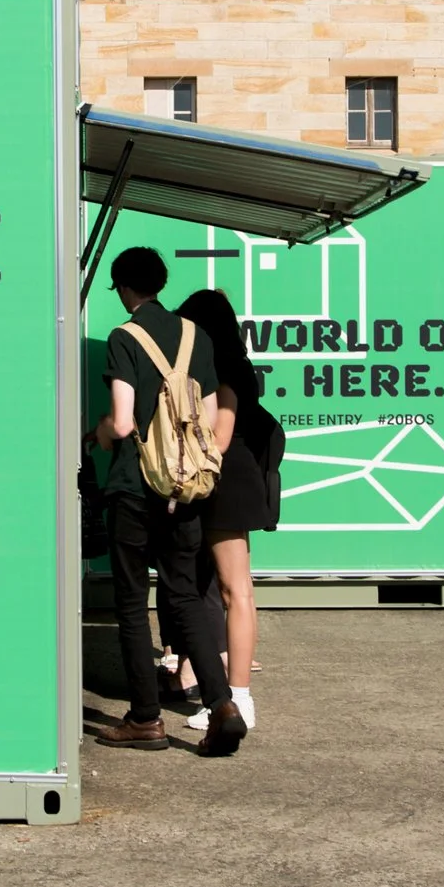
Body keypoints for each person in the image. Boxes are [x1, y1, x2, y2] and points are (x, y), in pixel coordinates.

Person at [91, 246, 246, 756]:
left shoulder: (124, 337)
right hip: (185, 488)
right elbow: (206, 418)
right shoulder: (196, 336)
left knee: (133, 605)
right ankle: (222, 705)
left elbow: (123, 422)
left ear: (123, 288)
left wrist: (99, 434)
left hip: (135, 489)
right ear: (160, 283)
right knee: (184, 598)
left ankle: (145, 719)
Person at [175, 288, 281, 732]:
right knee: (227, 589)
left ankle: (238, 697)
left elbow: (220, 436)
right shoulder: (235, 364)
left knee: (235, 590)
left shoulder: (221, 370)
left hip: (223, 481)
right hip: (232, 478)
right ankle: (228, 693)